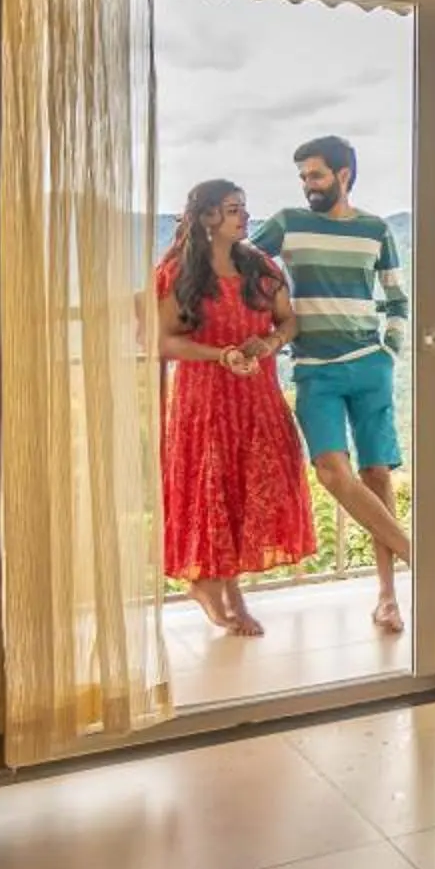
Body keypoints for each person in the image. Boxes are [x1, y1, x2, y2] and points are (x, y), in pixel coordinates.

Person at [251, 134, 414, 634]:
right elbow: (239, 268)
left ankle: (388, 597)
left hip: (370, 366)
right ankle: (419, 556)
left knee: (377, 477)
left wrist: (390, 352)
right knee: (330, 472)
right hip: (315, 370)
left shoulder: (375, 229)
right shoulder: (287, 224)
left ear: (343, 175)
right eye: (303, 177)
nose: (308, 186)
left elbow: (396, 299)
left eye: (316, 175)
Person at [156, 180, 316, 637]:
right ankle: (219, 591)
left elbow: (289, 320)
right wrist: (220, 355)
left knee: (253, 486)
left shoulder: (260, 267)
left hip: (256, 395)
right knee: (214, 491)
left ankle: (221, 588)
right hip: (204, 399)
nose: (244, 217)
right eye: (232, 210)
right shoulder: (178, 274)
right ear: (207, 217)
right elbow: (164, 341)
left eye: (244, 208)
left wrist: (268, 342)